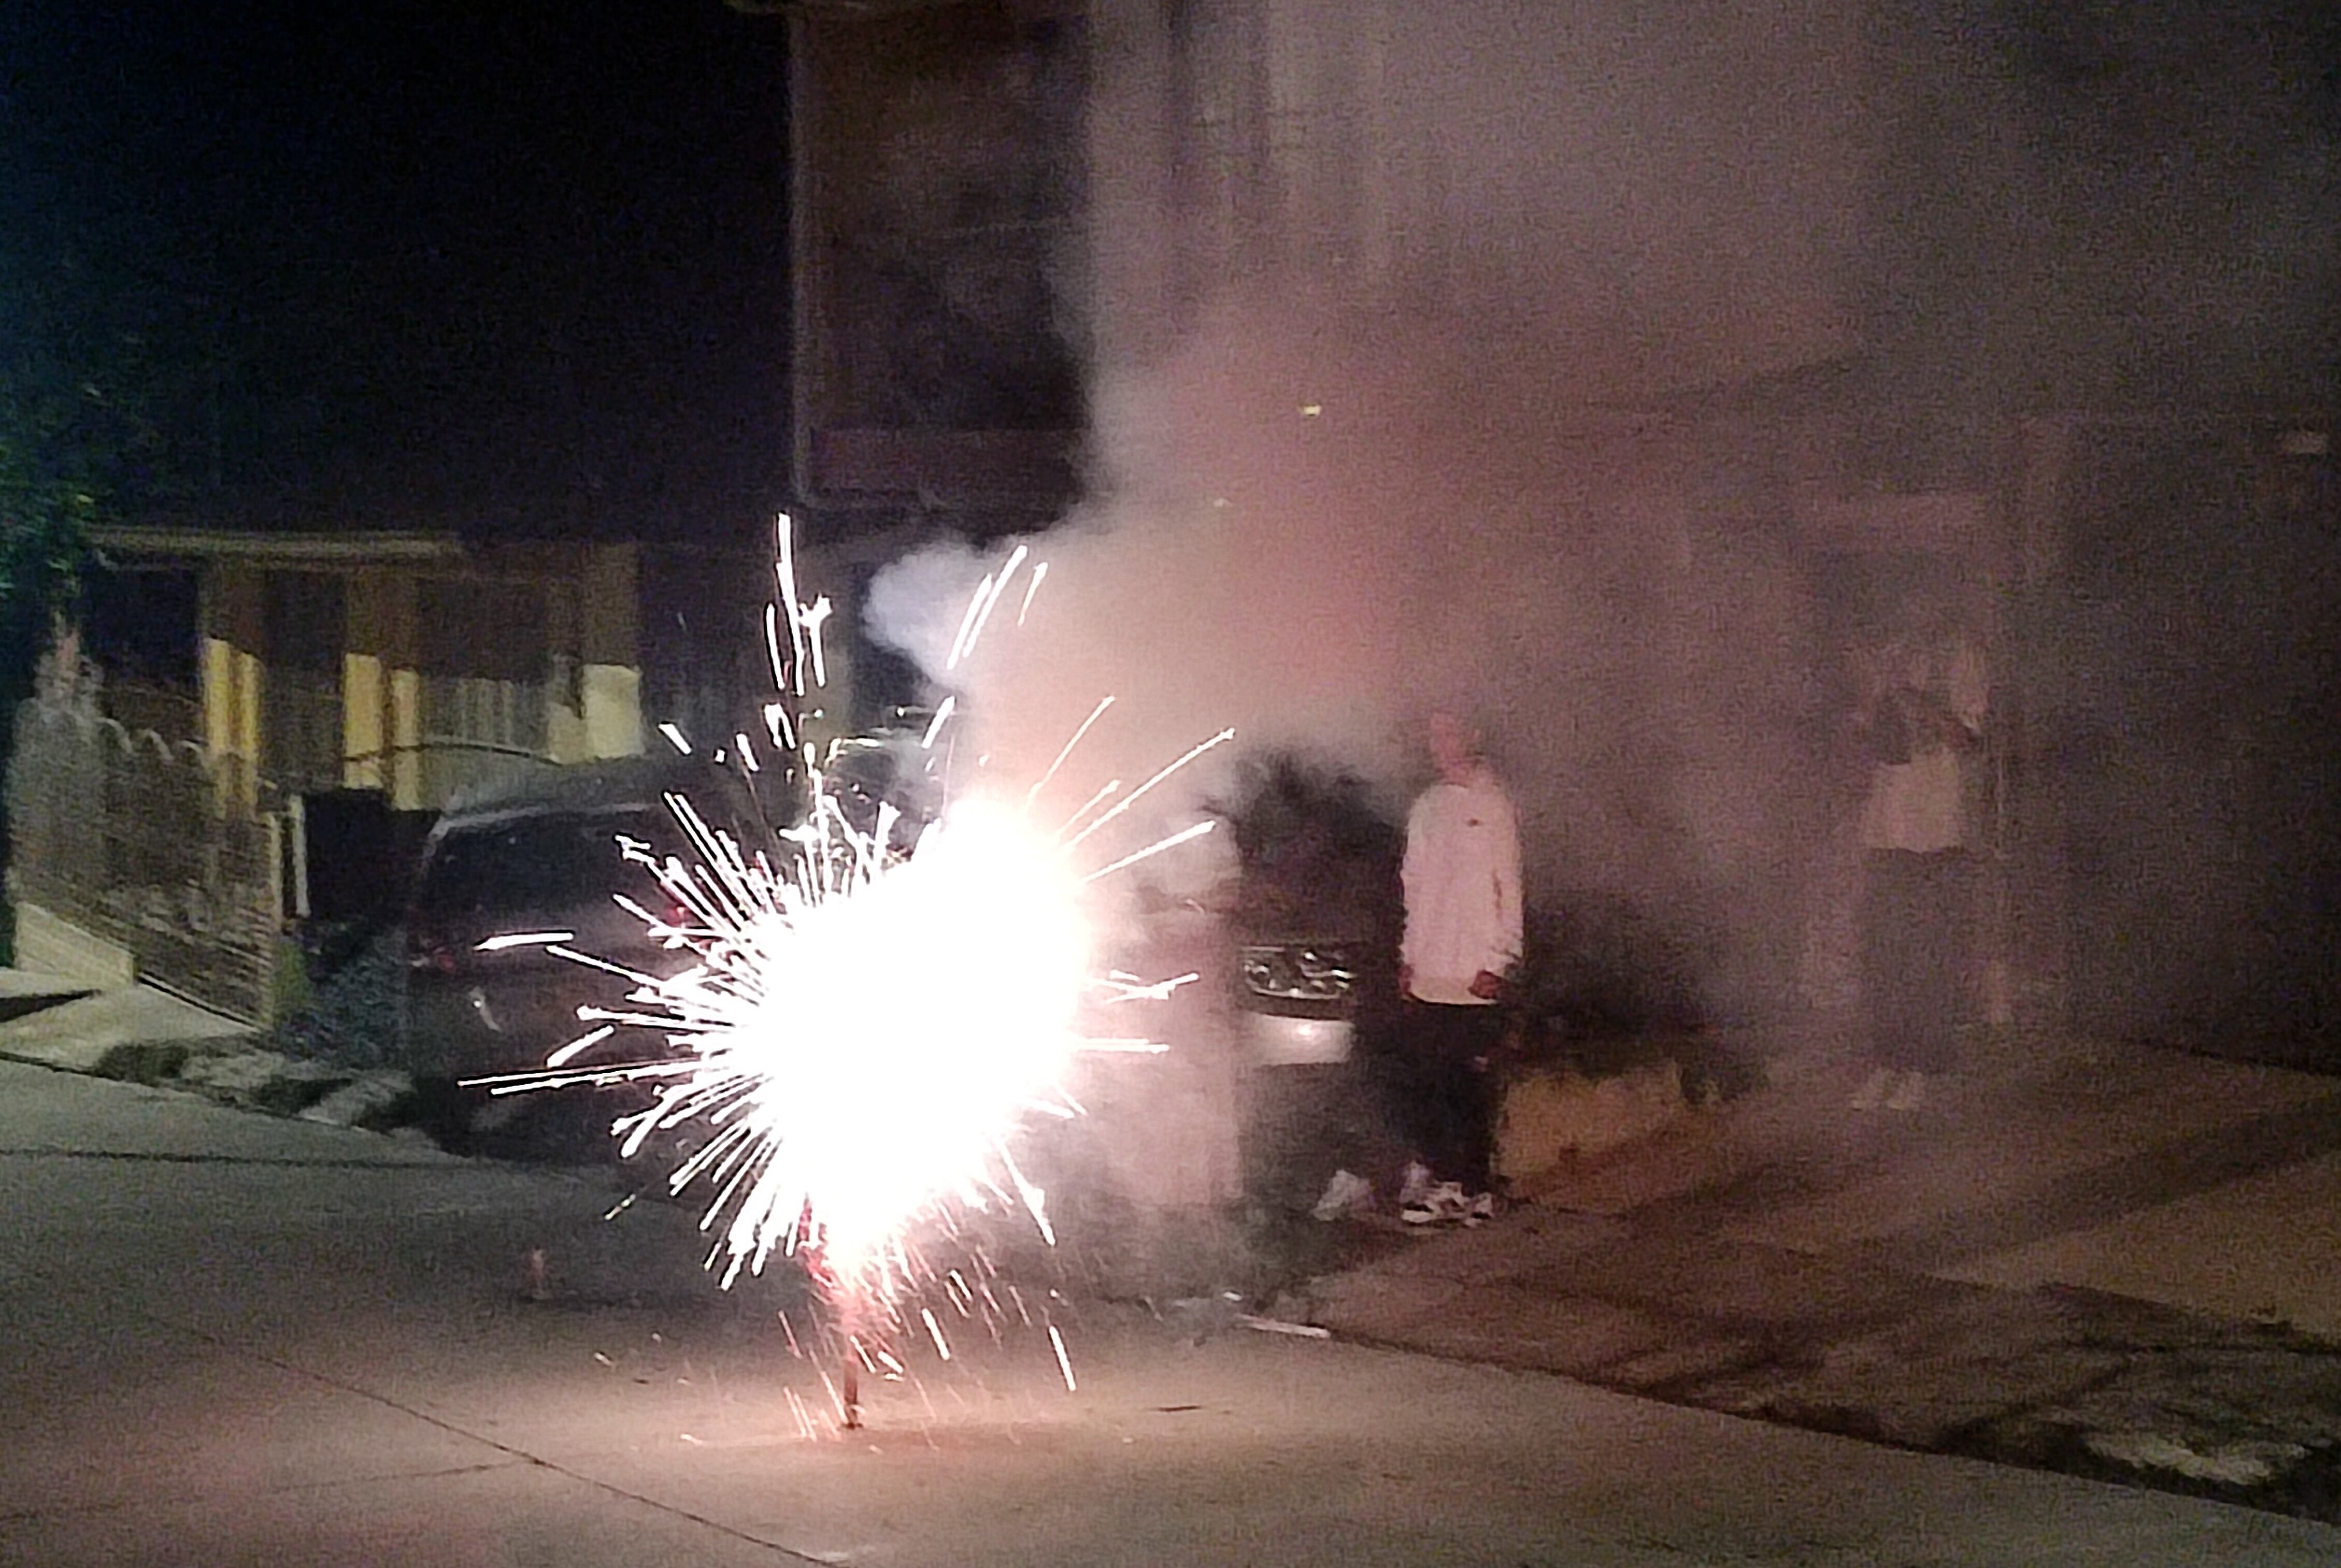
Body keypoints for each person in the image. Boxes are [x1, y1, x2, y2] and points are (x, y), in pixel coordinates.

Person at [1850, 615, 1987, 1113]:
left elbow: (1969, 739)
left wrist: (1911, 695)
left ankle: (1923, 1067)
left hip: (1936, 832)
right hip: (1887, 830)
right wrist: (1871, 696)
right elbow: (1866, 740)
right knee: (1887, 953)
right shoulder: (1890, 650)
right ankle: (1889, 1060)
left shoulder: (1960, 654)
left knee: (1929, 955)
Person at [1391, 711, 1522, 1221]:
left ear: (1474, 735)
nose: (1440, 744)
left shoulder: (1494, 803)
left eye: (1450, 732)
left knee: (1468, 1081)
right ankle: (1446, 1177)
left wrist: (1500, 958)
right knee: (1432, 1079)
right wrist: (1409, 956)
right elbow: (1414, 887)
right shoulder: (1426, 806)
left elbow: (1508, 888)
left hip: (1474, 969)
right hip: (1431, 968)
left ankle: (1475, 1185)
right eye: (1433, 734)